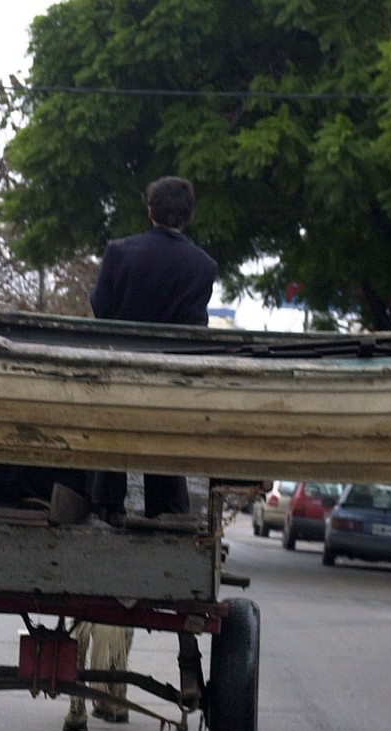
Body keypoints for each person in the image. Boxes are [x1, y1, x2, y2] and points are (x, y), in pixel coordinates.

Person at [85, 175, 219, 521]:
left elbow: (101, 307)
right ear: (188, 216)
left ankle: (107, 501)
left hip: (121, 375)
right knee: (164, 437)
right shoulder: (203, 267)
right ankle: (167, 508)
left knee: (114, 429)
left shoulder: (119, 252)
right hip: (169, 381)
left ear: (150, 211)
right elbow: (195, 328)